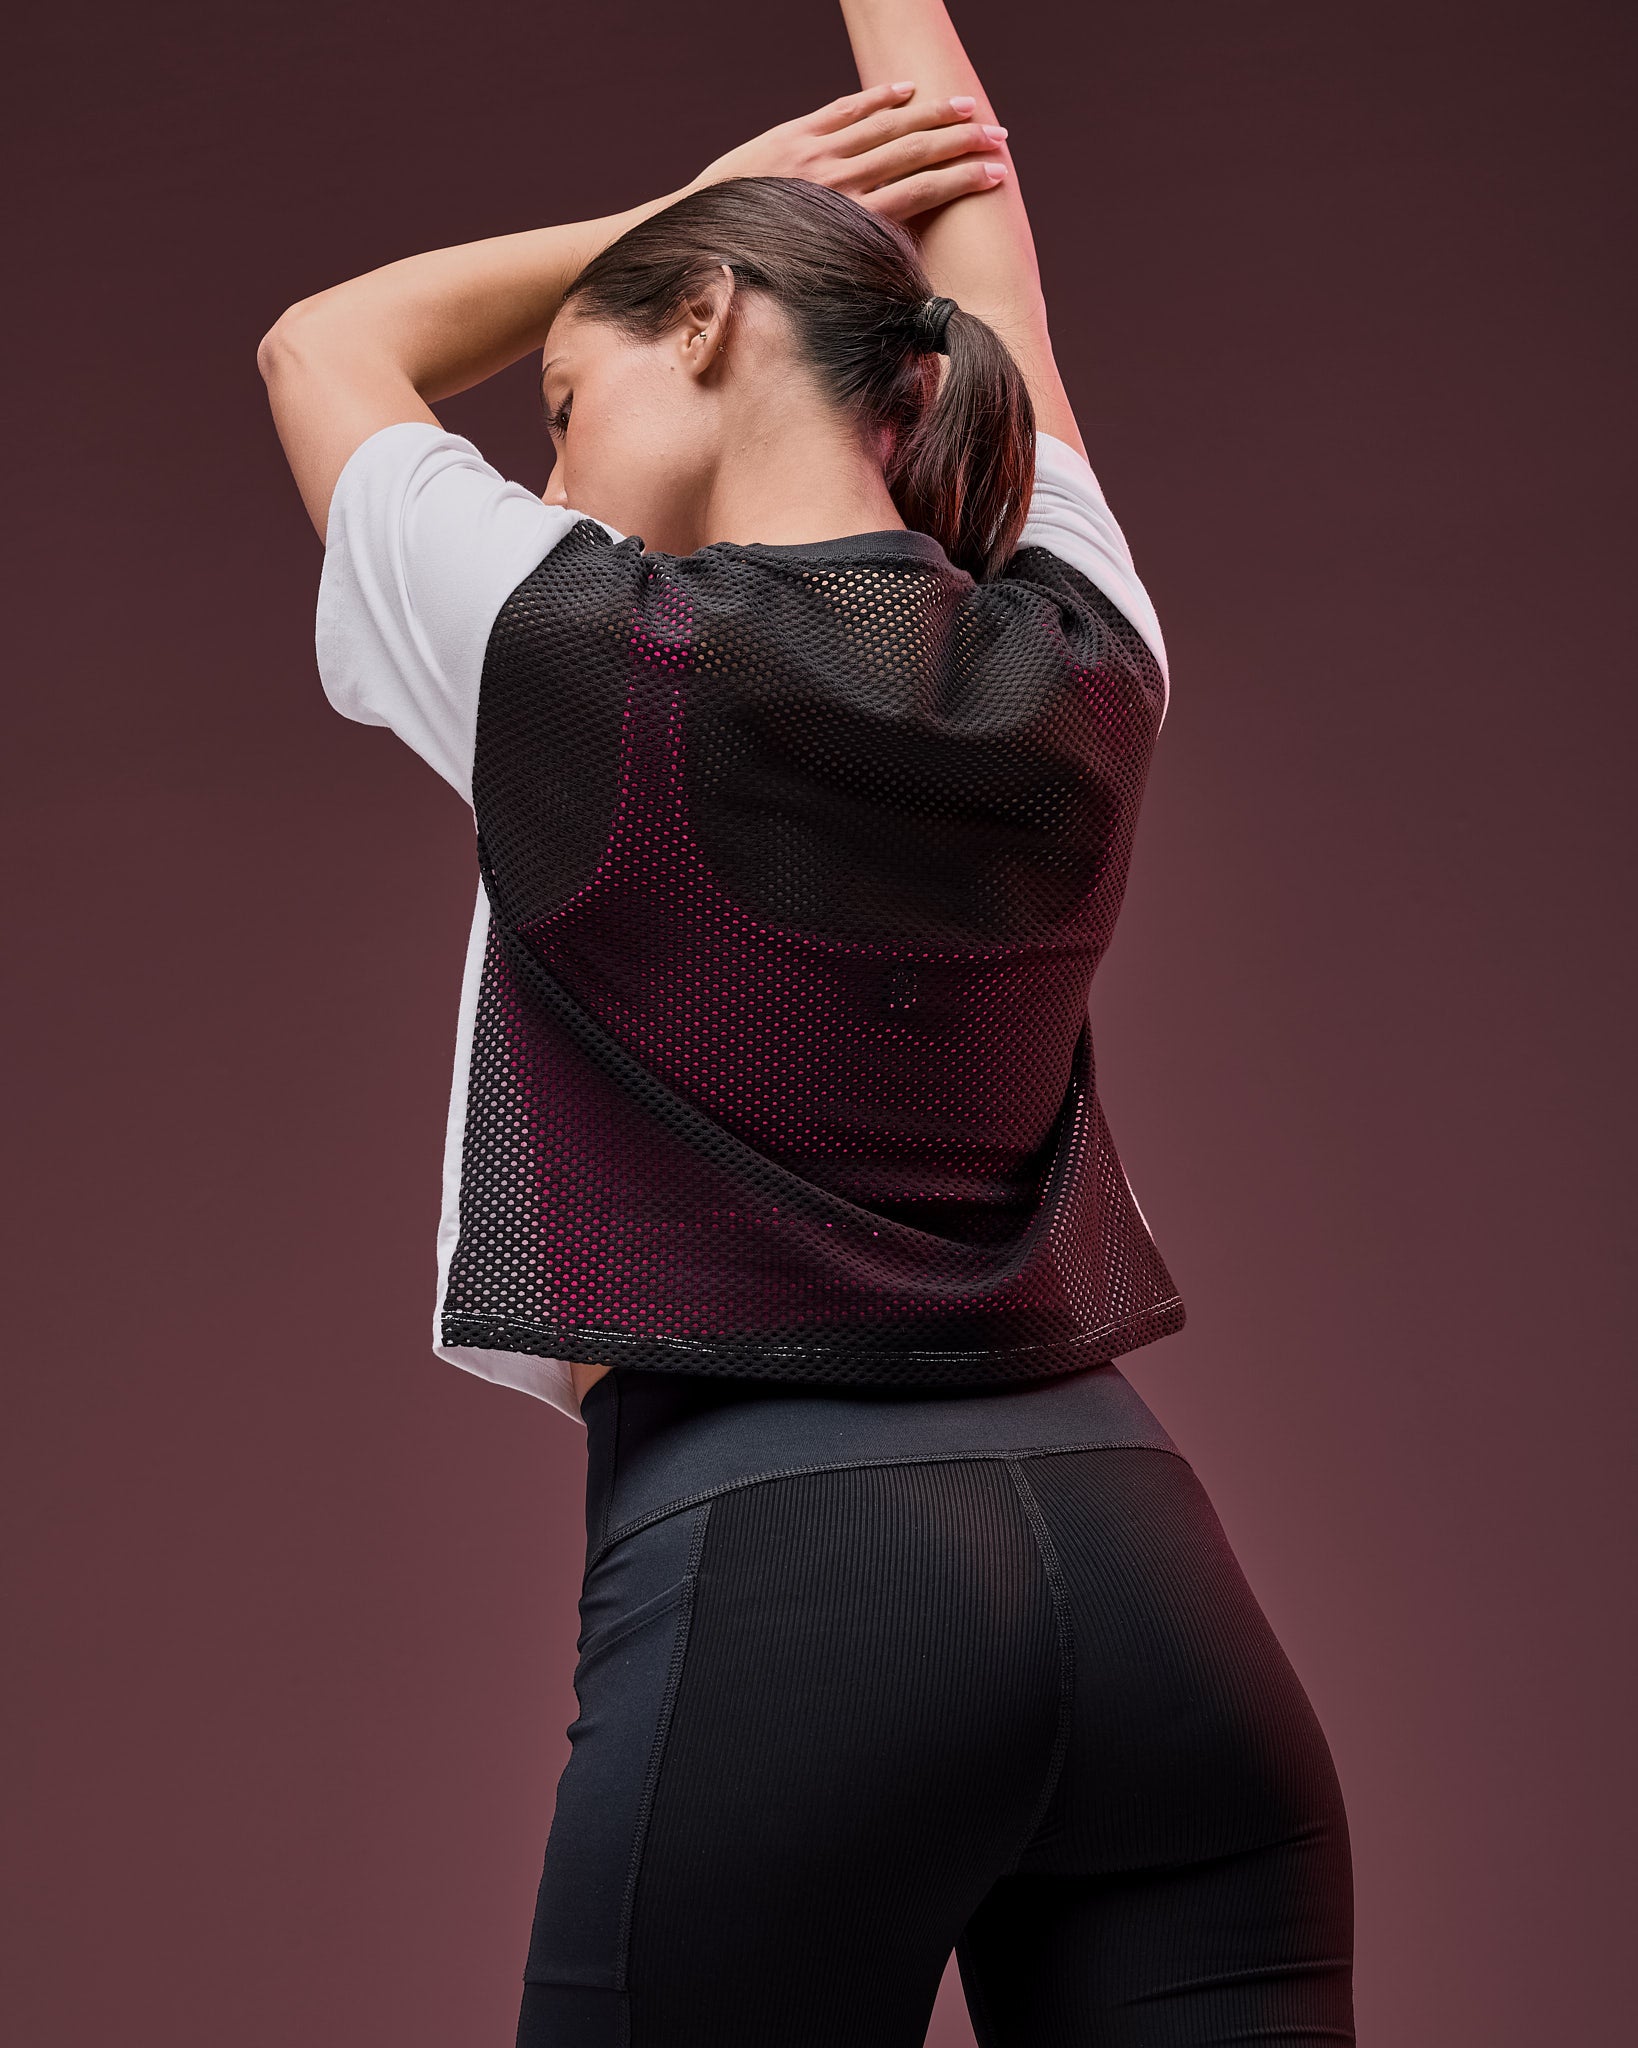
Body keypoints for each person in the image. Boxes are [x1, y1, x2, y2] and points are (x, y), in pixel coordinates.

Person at [259, 5, 1355, 2042]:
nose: (550, 464)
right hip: (1154, 1584)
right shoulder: (1090, 647)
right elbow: (974, 189)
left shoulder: (561, 640)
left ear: (710, 318)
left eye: (566, 401)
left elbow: (322, 344)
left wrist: (693, 203)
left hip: (792, 1575)